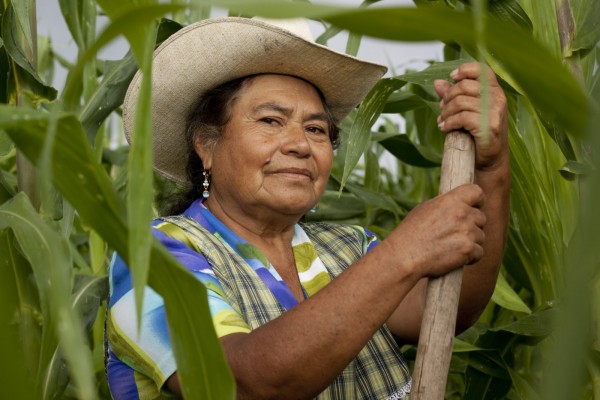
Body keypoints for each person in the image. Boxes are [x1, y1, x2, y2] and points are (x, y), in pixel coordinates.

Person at [105, 16, 509, 400]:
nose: (300, 144)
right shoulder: (151, 259)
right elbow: (243, 384)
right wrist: (405, 253)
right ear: (205, 145)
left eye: (316, 129)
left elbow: (445, 311)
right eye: (270, 121)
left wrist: (490, 167)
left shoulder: (348, 248)